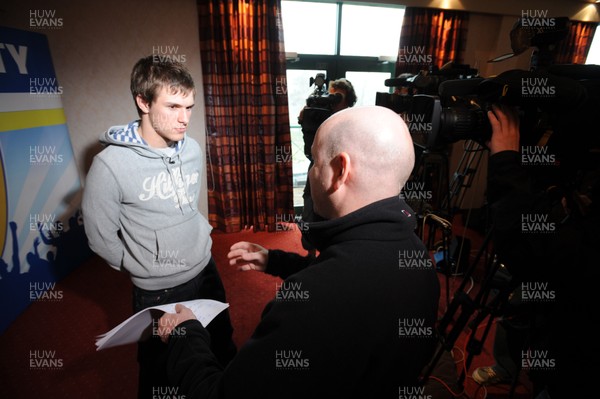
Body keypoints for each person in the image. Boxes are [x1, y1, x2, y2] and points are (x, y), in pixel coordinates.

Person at [158, 106, 441, 398]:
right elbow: (350, 276)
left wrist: (186, 333)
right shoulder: (417, 259)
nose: (310, 172)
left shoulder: (313, 302)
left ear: (340, 171)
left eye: (314, 161)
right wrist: (274, 260)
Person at [82, 55, 236, 399]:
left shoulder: (192, 149)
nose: (185, 119)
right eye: (173, 106)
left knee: (221, 346)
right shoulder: (109, 165)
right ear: (143, 101)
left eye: (190, 107)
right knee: (163, 371)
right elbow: (99, 237)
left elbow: (189, 207)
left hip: (206, 269)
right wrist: (142, 263)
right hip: (159, 290)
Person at [472, 103, 600, 398]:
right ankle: (507, 365)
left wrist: (505, 161)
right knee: (512, 299)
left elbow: (525, 246)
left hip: (576, 356)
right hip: (560, 325)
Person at [298, 77, 357, 252]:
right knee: (309, 201)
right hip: (316, 166)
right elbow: (309, 141)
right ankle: (309, 247)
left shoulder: (351, 120)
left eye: (337, 97)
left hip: (340, 171)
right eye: (331, 95)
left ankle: (333, 251)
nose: (332, 100)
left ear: (347, 100)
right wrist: (305, 116)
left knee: (335, 210)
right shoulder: (319, 115)